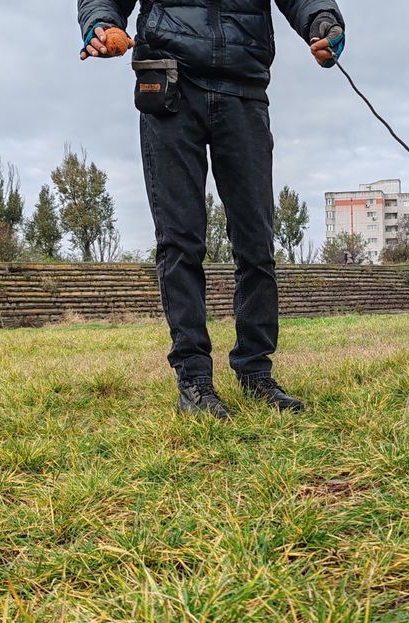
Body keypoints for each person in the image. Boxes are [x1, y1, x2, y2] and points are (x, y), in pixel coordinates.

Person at [77, 0, 345, 419]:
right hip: (169, 82)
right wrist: (101, 23)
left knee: (256, 243)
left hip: (245, 88)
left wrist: (323, 23)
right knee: (180, 241)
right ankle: (194, 380)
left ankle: (256, 372)